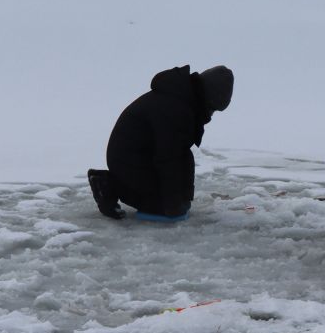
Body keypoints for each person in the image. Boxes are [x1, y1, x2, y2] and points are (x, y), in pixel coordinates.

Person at [88, 64, 234, 221]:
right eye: (212, 108)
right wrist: (172, 206)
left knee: (177, 194)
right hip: (128, 160)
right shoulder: (175, 108)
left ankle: (169, 201)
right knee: (158, 207)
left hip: (145, 155)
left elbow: (181, 154)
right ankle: (108, 184)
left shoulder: (184, 100)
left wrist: (184, 199)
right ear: (207, 97)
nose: (211, 114)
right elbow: (168, 158)